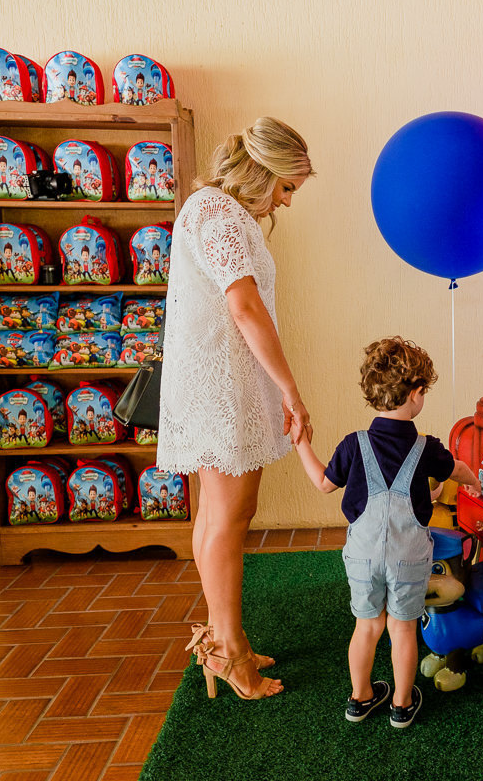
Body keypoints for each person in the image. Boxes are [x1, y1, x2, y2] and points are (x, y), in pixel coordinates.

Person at [158, 117, 314, 700]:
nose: (287, 201)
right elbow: (244, 306)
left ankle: (228, 636)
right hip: (219, 382)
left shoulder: (214, 211)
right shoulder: (218, 214)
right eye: (287, 186)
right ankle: (228, 651)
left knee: (218, 515)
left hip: (222, 377)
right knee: (229, 515)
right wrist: (290, 390)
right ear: (263, 172)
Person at [293, 337, 478, 728]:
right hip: (408, 556)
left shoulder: (353, 445)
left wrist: (301, 444)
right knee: (402, 627)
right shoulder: (425, 446)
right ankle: (401, 702)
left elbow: (324, 483)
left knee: (368, 626)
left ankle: (359, 699)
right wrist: (472, 480)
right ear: (416, 393)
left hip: (362, 555)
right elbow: (456, 470)